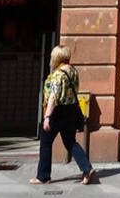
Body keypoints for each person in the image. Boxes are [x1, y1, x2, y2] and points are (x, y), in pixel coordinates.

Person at [31, 44, 97, 185]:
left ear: (56, 57)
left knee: (46, 143)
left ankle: (43, 176)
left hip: (57, 112)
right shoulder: (73, 71)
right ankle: (87, 168)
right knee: (70, 142)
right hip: (72, 110)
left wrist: (47, 117)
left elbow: (53, 97)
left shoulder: (58, 75)